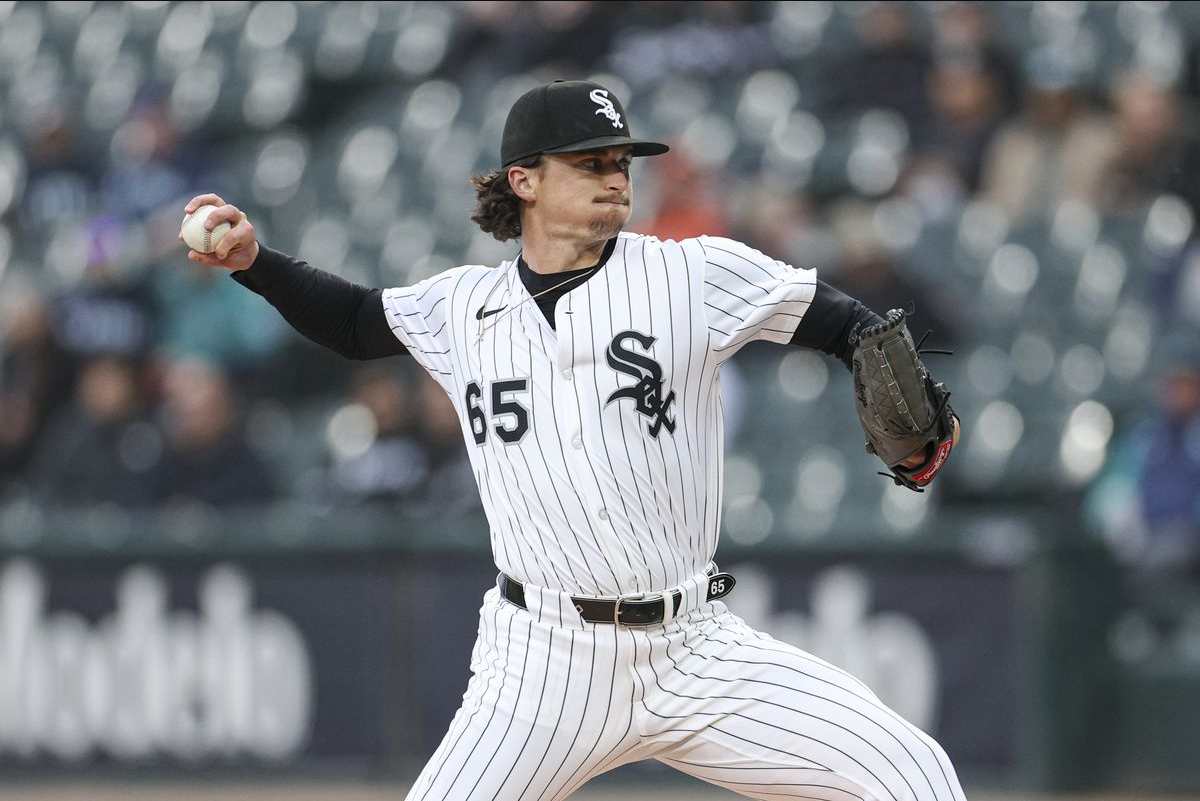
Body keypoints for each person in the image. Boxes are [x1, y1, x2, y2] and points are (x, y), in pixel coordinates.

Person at [180, 79, 964, 801]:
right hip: (542, 662)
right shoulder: (462, 307)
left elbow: (843, 321)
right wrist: (256, 263)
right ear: (524, 180)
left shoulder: (689, 275)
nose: (616, 177)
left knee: (913, 773)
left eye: (621, 162)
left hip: (694, 649)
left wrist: (913, 401)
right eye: (591, 163)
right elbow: (354, 322)